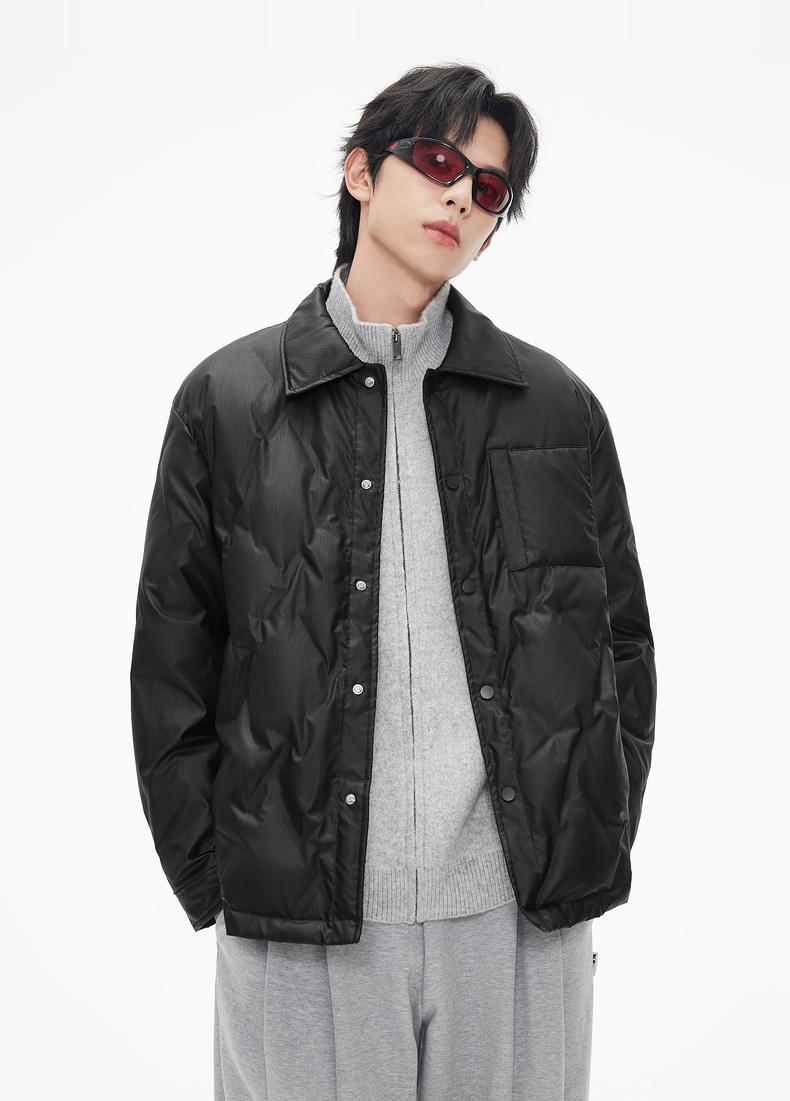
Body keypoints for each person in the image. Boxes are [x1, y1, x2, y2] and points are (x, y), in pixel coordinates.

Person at [130, 62, 657, 1101]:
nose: (461, 197)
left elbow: (622, 647)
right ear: (362, 173)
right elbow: (172, 662)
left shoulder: (556, 408)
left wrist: (582, 837)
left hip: (516, 924)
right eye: (437, 162)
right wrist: (225, 882)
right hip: (303, 929)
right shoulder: (230, 401)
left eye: (488, 189)